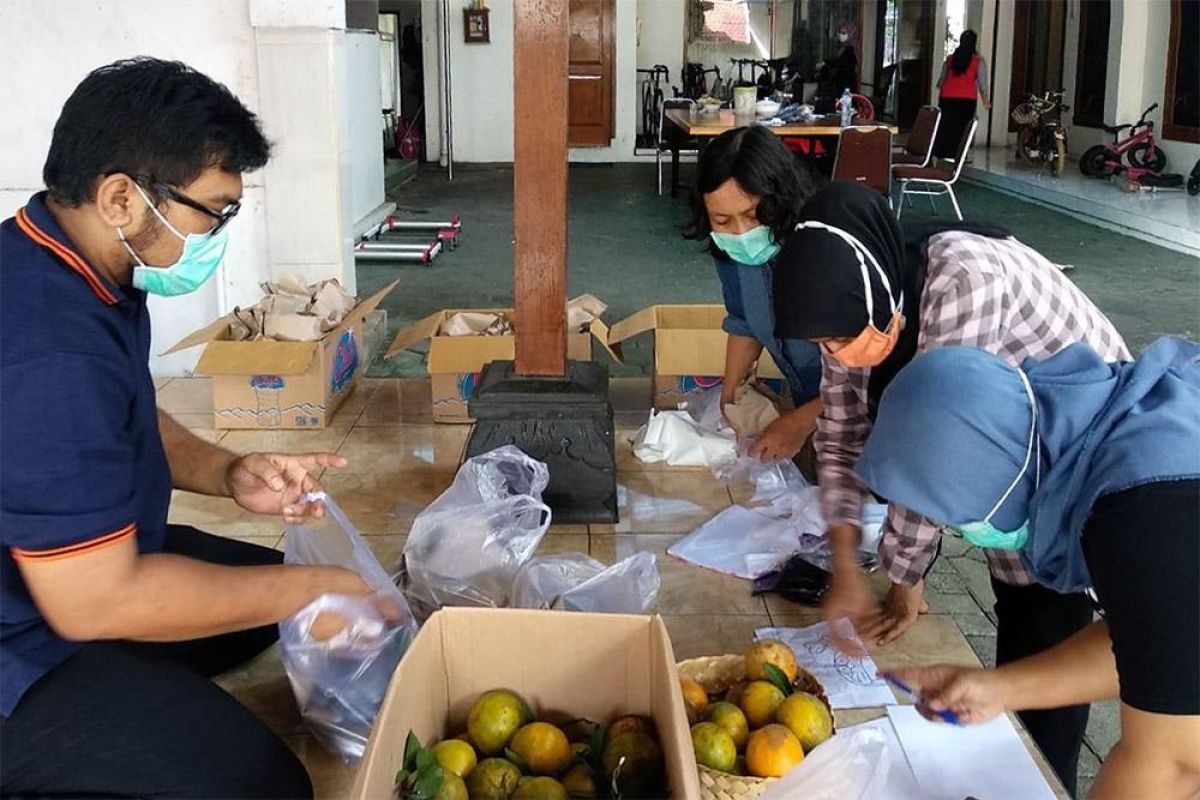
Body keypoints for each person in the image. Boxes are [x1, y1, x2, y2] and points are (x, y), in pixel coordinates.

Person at [0, 58, 377, 798]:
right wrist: (313, 591)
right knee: (261, 783)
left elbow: (126, 411)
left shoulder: (70, 262)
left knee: (266, 599)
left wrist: (227, 472)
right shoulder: (46, 351)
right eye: (214, 209)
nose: (219, 233)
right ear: (120, 197)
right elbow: (93, 601)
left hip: (65, 567)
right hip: (27, 634)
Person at [770, 181, 1130, 795]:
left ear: (886, 297)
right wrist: (847, 568)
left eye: (842, 339)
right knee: (1018, 602)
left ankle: (1043, 777)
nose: (840, 355)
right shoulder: (849, 298)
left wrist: (904, 577)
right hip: (998, 461)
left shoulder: (964, 281)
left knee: (1050, 628)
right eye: (826, 345)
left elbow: (932, 447)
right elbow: (838, 434)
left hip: (1077, 459)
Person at [856, 339, 1200, 799]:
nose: (966, 532)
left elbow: (1173, 763)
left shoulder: (1141, 507)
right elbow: (1159, 646)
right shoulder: (1103, 434)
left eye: (958, 517)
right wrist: (998, 689)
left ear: (991, 474)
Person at [689, 126, 823, 466]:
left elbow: (873, 376)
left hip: (870, 412)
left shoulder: (825, 254)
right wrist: (729, 396)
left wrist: (801, 421)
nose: (740, 234)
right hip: (816, 404)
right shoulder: (735, 256)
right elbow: (744, 320)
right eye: (721, 220)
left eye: (752, 216)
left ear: (780, 200)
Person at [934, 30, 991, 159]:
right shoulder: (978, 61)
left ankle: (942, 153)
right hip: (966, 99)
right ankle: (959, 155)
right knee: (962, 129)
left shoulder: (950, 59)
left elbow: (940, 82)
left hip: (946, 97)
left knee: (945, 126)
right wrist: (986, 101)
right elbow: (983, 84)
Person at [816, 21, 861, 98]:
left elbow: (840, 62)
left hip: (847, 85)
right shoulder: (843, 48)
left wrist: (825, 62)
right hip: (841, 83)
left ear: (850, 35)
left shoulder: (850, 50)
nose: (841, 35)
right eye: (840, 32)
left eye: (844, 33)